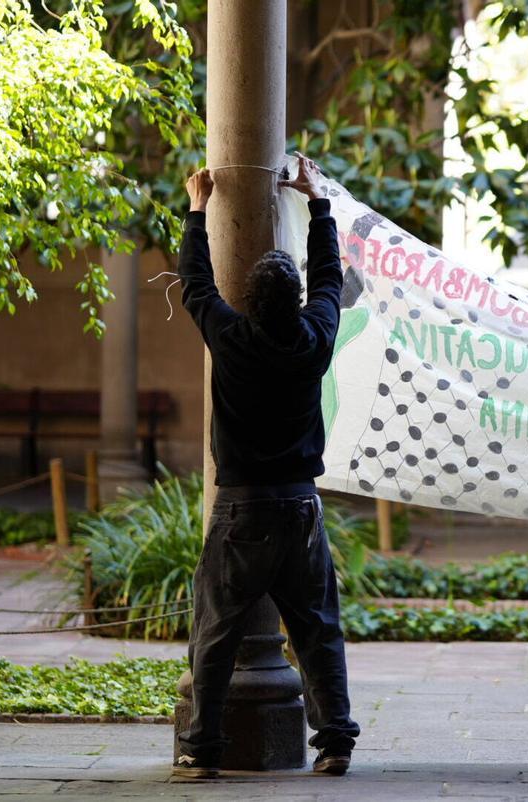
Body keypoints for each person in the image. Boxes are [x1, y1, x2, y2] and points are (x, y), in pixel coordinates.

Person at [174, 157, 360, 778]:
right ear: (296, 300)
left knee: (216, 635)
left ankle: (201, 751)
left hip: (242, 510)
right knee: (317, 632)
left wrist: (198, 209)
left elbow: (195, 284)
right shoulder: (315, 338)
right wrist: (319, 205)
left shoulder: (230, 338)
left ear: (248, 300)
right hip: (300, 507)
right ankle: (334, 742)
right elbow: (331, 281)